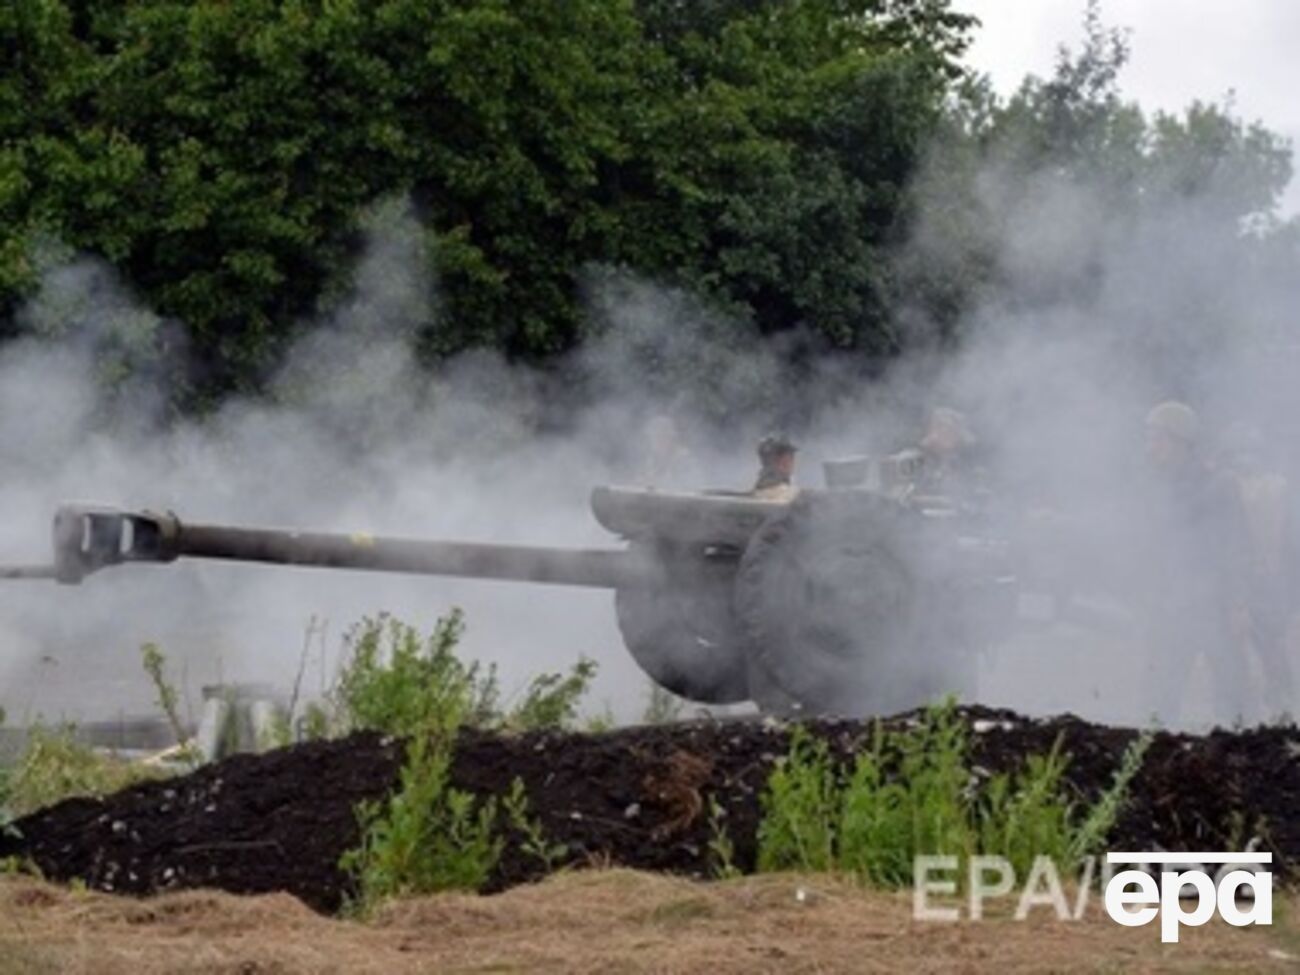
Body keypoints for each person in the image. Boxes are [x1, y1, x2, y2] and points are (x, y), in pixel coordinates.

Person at [1137, 400, 1252, 726]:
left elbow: (1236, 547)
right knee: (1159, 699)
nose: (1151, 447)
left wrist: (1238, 604)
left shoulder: (1218, 484)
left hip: (1214, 605)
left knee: (1232, 698)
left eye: (1157, 438)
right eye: (1149, 438)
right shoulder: (1155, 486)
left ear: (1180, 442)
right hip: (1171, 607)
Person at [1216, 421, 1296, 714]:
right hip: (1254, 580)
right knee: (1249, 653)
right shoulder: (1277, 486)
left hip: (1261, 581)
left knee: (1262, 650)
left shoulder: (1272, 488)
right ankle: (1260, 713)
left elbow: (1287, 541)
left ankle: (1271, 712)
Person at [751, 434, 798, 501]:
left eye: (791, 456)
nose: (789, 461)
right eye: (779, 454)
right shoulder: (767, 487)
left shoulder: (787, 484)